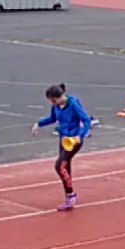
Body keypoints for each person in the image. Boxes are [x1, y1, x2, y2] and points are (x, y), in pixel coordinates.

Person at [34, 83, 93, 211]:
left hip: (73, 140)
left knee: (59, 165)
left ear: (60, 96)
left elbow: (87, 120)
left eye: (54, 100)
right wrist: (39, 124)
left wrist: (81, 135)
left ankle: (71, 194)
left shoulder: (73, 105)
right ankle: (69, 196)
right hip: (63, 139)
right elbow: (53, 118)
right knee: (65, 166)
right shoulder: (56, 106)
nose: (53, 103)